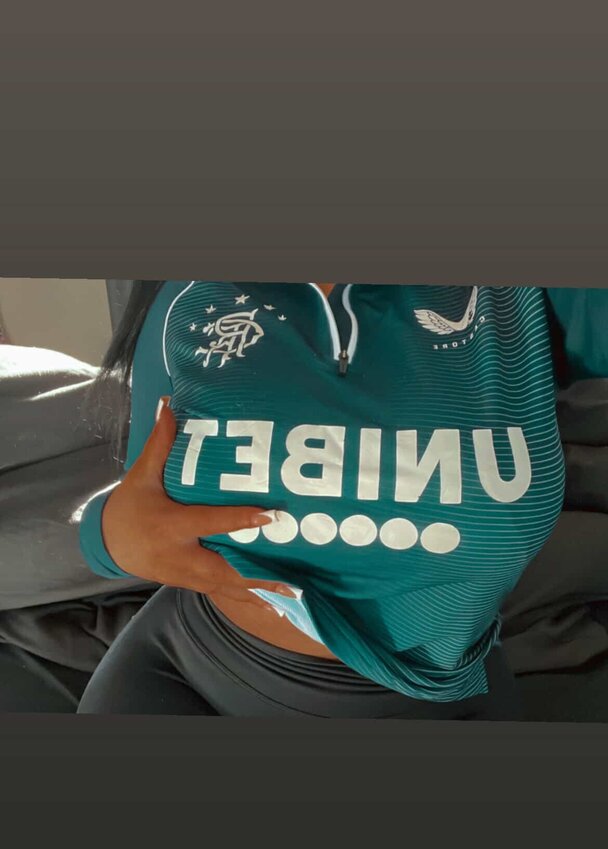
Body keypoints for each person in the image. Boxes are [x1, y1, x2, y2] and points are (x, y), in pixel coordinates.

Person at [77, 281, 608, 718]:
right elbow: (144, 501)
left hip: (438, 698)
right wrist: (106, 538)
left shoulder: (518, 295)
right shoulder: (192, 295)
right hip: (188, 674)